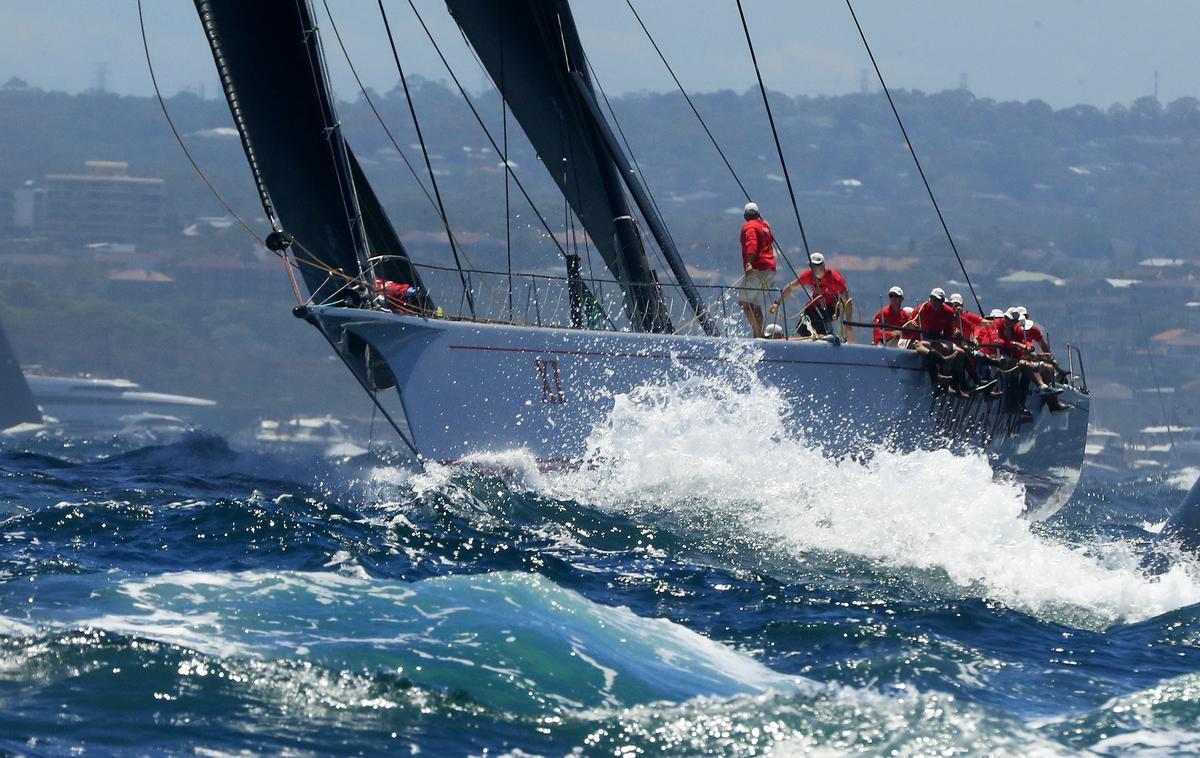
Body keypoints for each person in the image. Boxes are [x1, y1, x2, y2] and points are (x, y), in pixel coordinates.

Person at [769, 252, 853, 340]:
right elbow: (791, 287)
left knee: (821, 326)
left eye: (817, 265)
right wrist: (777, 303)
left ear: (823, 265)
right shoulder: (808, 275)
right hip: (815, 306)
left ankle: (824, 338)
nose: (814, 269)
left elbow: (847, 301)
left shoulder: (835, 279)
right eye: (812, 266)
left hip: (831, 308)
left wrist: (848, 323)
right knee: (802, 329)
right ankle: (814, 340)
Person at [737, 202, 776, 338]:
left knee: (744, 302)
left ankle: (759, 334)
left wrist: (749, 263)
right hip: (770, 270)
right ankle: (758, 334)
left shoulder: (749, 227)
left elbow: (752, 245)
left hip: (757, 269)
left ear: (745, 216)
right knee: (755, 303)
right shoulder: (765, 227)